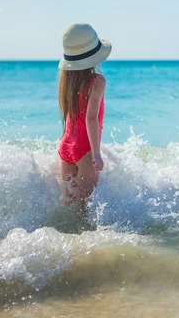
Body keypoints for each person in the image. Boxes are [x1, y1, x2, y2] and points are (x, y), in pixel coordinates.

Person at [57, 23, 112, 214]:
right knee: (84, 212)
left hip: (66, 146)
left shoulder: (65, 82)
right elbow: (91, 118)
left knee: (69, 206)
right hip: (84, 148)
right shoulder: (97, 81)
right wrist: (96, 155)